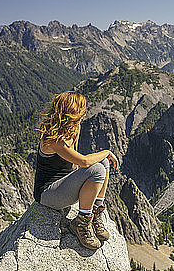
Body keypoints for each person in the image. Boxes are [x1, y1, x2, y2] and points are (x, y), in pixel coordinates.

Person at [33, 91, 119, 250]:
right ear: (71, 112)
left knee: (103, 164)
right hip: (48, 194)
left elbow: (74, 161)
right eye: (81, 109)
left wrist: (81, 178)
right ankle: (81, 222)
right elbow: (84, 162)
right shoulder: (54, 139)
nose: (84, 112)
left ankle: (95, 211)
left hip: (63, 183)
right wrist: (106, 152)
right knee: (99, 168)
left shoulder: (73, 127)